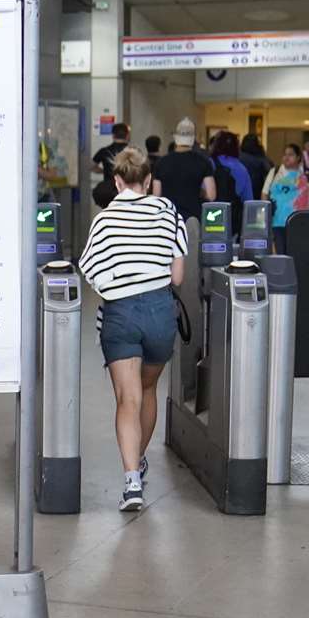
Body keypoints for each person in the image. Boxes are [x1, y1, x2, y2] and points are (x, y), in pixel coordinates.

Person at [77, 147, 186, 513]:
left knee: (128, 398)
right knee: (149, 388)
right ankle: (139, 459)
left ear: (117, 181)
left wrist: (119, 285)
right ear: (149, 180)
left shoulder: (105, 219)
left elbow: (90, 271)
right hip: (159, 311)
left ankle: (131, 483)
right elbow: (178, 275)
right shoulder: (168, 211)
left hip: (121, 312)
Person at [151, 117, 215, 225]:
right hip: (194, 219)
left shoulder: (161, 163)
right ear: (193, 138)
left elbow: (156, 195)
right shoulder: (203, 162)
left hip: (169, 219)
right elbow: (211, 195)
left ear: (175, 137)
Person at [263, 143, 309, 252]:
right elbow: (264, 193)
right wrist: (265, 216)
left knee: (298, 253)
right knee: (282, 254)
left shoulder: (306, 174)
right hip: (278, 222)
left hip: (300, 221)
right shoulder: (275, 172)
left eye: (290, 155)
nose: (286, 157)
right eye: (285, 154)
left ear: (298, 157)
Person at [209, 130, 253, 232]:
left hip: (211, 216)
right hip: (232, 220)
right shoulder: (242, 169)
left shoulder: (210, 164)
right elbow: (248, 200)